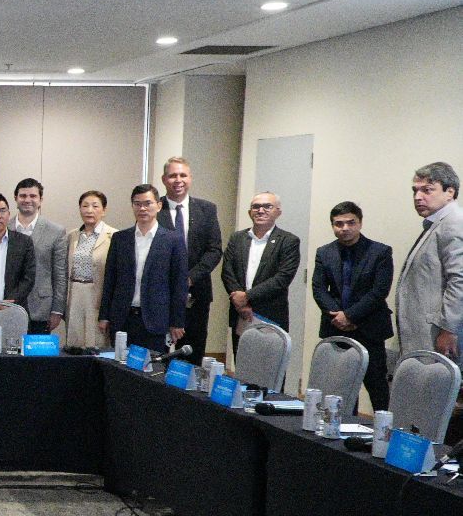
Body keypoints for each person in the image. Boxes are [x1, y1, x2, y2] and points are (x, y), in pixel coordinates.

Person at [312, 201, 393, 411]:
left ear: (360, 223)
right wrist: (337, 317)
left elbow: (379, 291)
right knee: (340, 386)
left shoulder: (380, 252)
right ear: (332, 225)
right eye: (339, 224)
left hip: (369, 329)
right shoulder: (324, 252)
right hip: (335, 328)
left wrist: (350, 316)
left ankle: (383, 428)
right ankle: (343, 426)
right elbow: (319, 289)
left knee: (377, 386)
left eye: (351, 222)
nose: (345, 228)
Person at [99, 184, 188, 351]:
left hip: (155, 320)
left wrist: (177, 321)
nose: (142, 208)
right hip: (122, 318)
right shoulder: (120, 238)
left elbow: (179, 284)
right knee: (119, 365)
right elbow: (110, 279)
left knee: (152, 365)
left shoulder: (173, 240)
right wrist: (104, 316)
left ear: (159, 205)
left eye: (148, 203)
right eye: (137, 204)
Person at [158, 157, 222, 362]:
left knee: (192, 355)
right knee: (159, 354)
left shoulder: (207, 209)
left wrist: (189, 278)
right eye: (172, 176)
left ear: (190, 178)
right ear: (164, 179)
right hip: (162, 294)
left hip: (196, 295)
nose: (178, 180)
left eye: (183, 175)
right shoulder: (154, 208)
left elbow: (214, 250)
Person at [396, 161, 463, 358]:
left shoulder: (454, 223)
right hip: (426, 334)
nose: (418, 197)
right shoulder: (437, 223)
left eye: (427, 190)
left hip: (438, 335)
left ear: (450, 192)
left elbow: (459, 280)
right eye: (415, 191)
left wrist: (449, 329)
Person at [221, 192, 301, 356]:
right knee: (242, 365)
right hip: (241, 314)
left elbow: (282, 278)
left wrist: (246, 297)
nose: (261, 210)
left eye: (267, 206)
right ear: (249, 212)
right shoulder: (237, 238)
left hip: (270, 315)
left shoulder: (288, 241)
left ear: (278, 212)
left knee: (269, 367)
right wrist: (240, 303)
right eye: (256, 207)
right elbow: (227, 271)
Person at [61, 190, 116, 349]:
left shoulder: (114, 236)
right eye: (85, 206)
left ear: (104, 210)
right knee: (74, 342)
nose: (89, 210)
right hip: (75, 292)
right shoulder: (72, 236)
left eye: (95, 206)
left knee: (96, 341)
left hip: (98, 294)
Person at [13, 177, 68, 335]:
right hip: (10, 305)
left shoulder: (56, 231)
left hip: (41, 307)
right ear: (16, 198)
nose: (27, 200)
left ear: (41, 200)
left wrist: (57, 310)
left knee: (37, 350)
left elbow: (60, 274)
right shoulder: (4, 228)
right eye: (23, 196)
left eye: (33, 196)